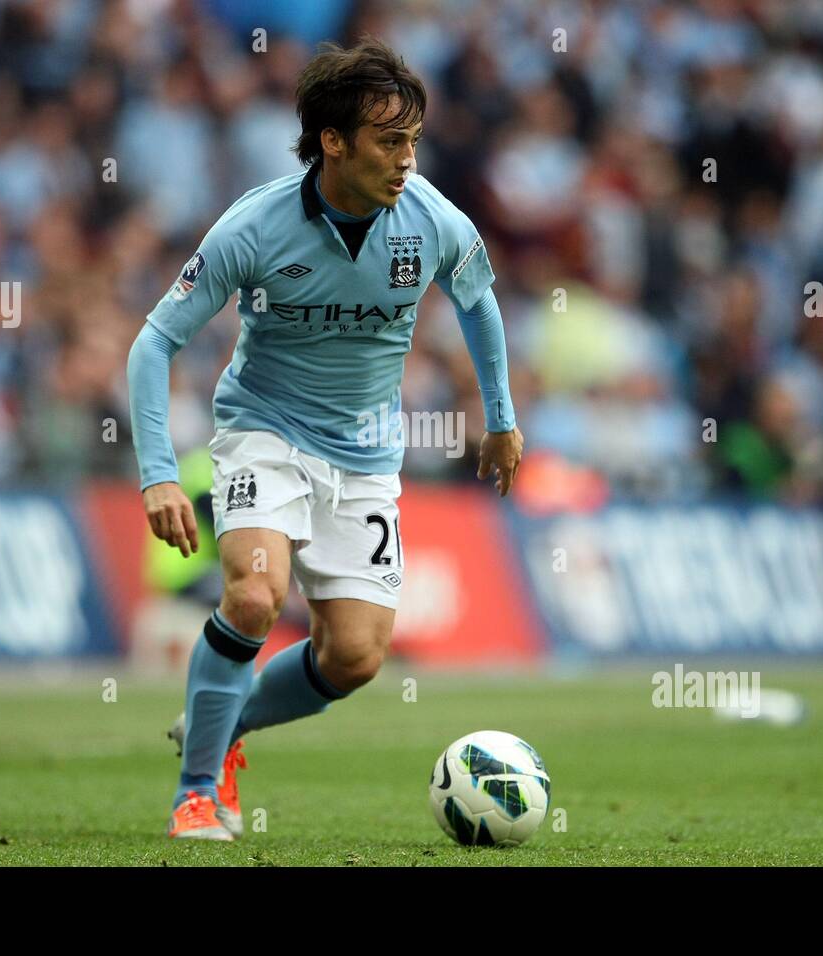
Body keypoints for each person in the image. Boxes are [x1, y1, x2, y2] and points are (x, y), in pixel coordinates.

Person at [126, 38, 523, 840]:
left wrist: (503, 416)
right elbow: (154, 342)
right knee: (252, 594)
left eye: (413, 140)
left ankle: (225, 723)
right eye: (389, 141)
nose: (407, 159)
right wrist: (159, 474)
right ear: (332, 141)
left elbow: (478, 301)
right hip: (264, 433)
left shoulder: (433, 220)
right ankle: (198, 791)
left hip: (368, 456)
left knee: (355, 658)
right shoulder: (255, 225)